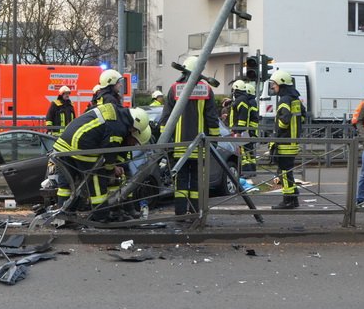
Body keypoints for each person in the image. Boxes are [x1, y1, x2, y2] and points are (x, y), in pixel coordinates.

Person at [52, 104, 151, 221]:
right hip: (80, 145)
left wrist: (115, 166)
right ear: (134, 124)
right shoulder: (118, 128)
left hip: (64, 144)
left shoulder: (117, 114)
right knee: (97, 178)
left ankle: (64, 215)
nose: (133, 131)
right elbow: (109, 155)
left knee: (67, 184)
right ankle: (101, 216)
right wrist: (111, 169)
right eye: (135, 130)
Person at [159, 56, 221, 216]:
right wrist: (214, 140)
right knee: (196, 182)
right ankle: (195, 213)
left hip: (178, 147)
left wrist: (164, 142)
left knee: (180, 183)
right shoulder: (207, 90)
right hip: (199, 147)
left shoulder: (174, 89)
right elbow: (212, 119)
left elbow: (166, 118)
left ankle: (180, 214)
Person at [268, 68, 304, 209]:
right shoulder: (295, 99)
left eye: (274, 84)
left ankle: (288, 200)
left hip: (284, 142)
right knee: (287, 171)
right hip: (293, 141)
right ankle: (293, 199)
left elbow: (284, 120)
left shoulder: (284, 100)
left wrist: (277, 131)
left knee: (284, 172)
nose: (273, 87)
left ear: (281, 84)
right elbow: (303, 114)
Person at [228, 79, 258, 172]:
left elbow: (242, 117)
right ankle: (251, 170)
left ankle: (247, 170)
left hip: (242, 131)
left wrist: (239, 131)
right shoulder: (242, 100)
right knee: (247, 151)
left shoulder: (241, 100)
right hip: (243, 130)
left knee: (245, 151)